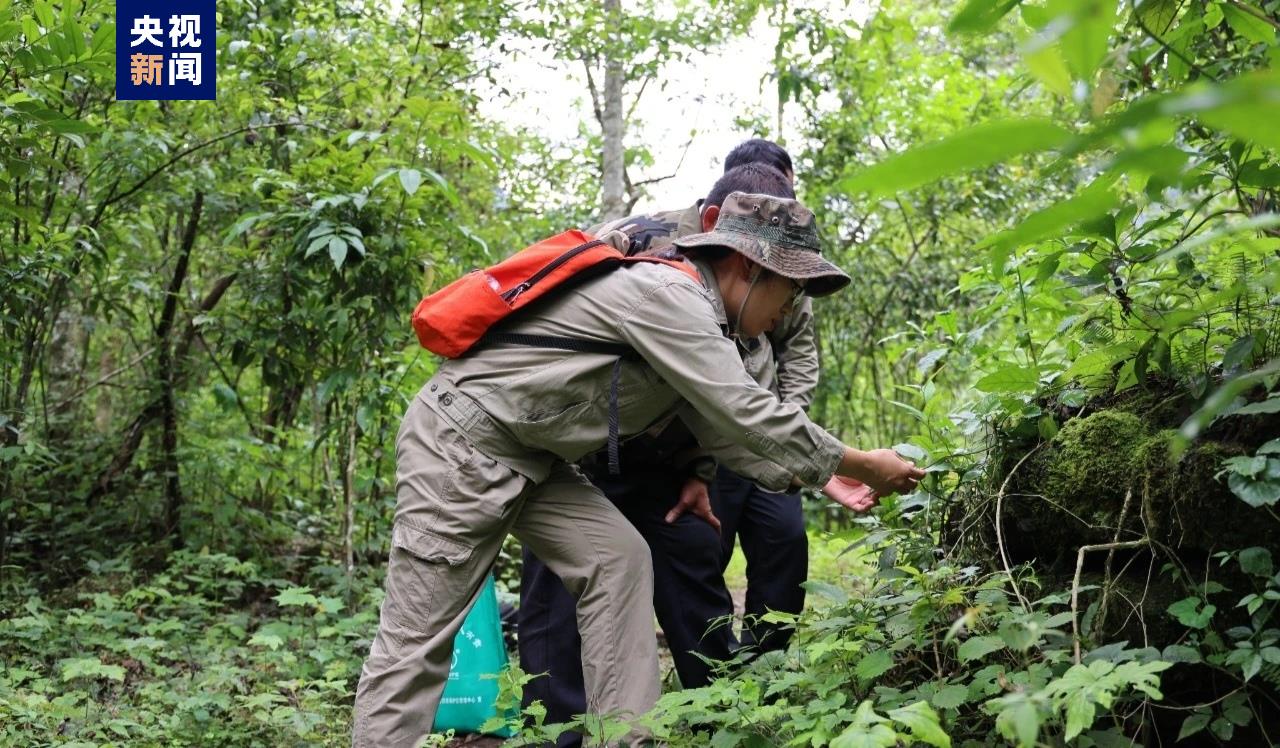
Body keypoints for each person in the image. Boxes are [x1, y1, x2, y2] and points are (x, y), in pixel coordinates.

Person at [352, 192, 922, 748]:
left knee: (617, 560)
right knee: (418, 639)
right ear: (748, 269)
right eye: (790, 291)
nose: (791, 313)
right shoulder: (669, 295)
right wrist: (861, 462)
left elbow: (725, 432)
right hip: (463, 440)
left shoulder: (706, 322)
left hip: (530, 455)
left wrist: (827, 475)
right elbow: (746, 409)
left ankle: (625, 737)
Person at [519, 151, 862, 747]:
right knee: (556, 594)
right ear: (716, 218)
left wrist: (704, 467)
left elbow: (740, 393)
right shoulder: (636, 244)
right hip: (577, 449)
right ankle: (557, 734)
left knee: (695, 573)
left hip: (671, 456)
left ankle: (722, 718)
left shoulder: (768, 282)